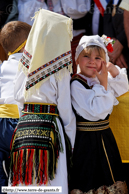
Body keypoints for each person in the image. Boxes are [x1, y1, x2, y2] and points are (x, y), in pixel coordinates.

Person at [8, 9, 76, 194]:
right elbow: (65, 110)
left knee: (24, 183)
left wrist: (25, 120)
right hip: (50, 129)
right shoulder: (59, 69)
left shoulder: (24, 64)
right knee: (51, 184)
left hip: (23, 129)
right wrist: (69, 142)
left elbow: (17, 96)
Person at [69, 35, 128, 194]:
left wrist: (112, 70)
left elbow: (122, 88)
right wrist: (103, 84)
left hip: (106, 139)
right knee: (89, 180)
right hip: (86, 142)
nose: (91, 61)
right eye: (86, 56)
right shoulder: (77, 84)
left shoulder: (98, 79)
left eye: (97, 57)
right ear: (77, 59)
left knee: (111, 178)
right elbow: (97, 111)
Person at [0, 21, 31, 193]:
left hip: (0, 122)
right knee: (20, 173)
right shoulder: (29, 67)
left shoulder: (2, 66)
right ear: (27, 45)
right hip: (18, 123)